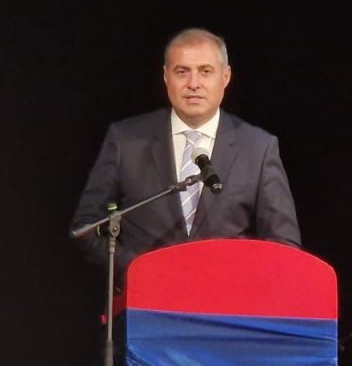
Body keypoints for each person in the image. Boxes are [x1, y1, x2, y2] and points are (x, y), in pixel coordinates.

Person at [70, 27, 301, 282]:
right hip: (146, 297)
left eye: (205, 71)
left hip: (227, 297)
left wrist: (241, 280)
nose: (193, 84)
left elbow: (284, 245)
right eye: (182, 72)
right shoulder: (126, 140)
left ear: (225, 77)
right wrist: (138, 270)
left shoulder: (258, 148)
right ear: (166, 76)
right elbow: (85, 228)